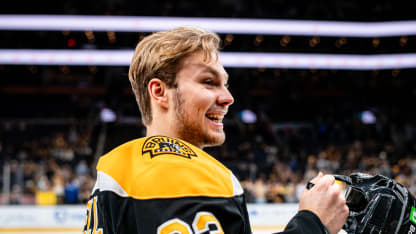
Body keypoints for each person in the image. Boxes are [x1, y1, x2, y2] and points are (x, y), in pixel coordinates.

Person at [82, 26, 349, 234]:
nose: (228, 98)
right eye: (208, 82)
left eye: (225, 84)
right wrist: (313, 223)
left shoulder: (118, 164)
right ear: (160, 91)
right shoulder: (183, 171)